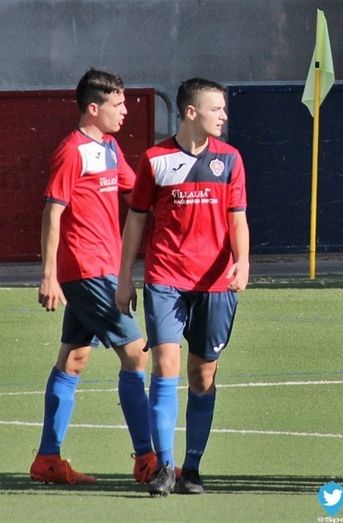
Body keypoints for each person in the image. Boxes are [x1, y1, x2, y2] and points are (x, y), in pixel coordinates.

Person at [116, 78, 249, 497]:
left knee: (202, 375)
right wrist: (124, 277)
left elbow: (238, 217)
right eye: (216, 109)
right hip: (166, 278)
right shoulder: (155, 159)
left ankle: (191, 468)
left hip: (215, 283)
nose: (224, 116)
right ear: (191, 112)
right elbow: (136, 219)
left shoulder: (230, 159)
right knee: (165, 366)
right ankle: (164, 467)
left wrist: (243, 261)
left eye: (224, 109)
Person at [30, 68, 157, 485]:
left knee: (74, 358)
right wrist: (48, 275)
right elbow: (53, 212)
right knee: (136, 354)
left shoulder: (110, 147)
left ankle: (47, 459)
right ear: (92, 108)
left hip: (101, 267)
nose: (125, 111)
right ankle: (147, 459)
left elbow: (137, 195)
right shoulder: (72, 151)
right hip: (88, 269)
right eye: (117, 104)